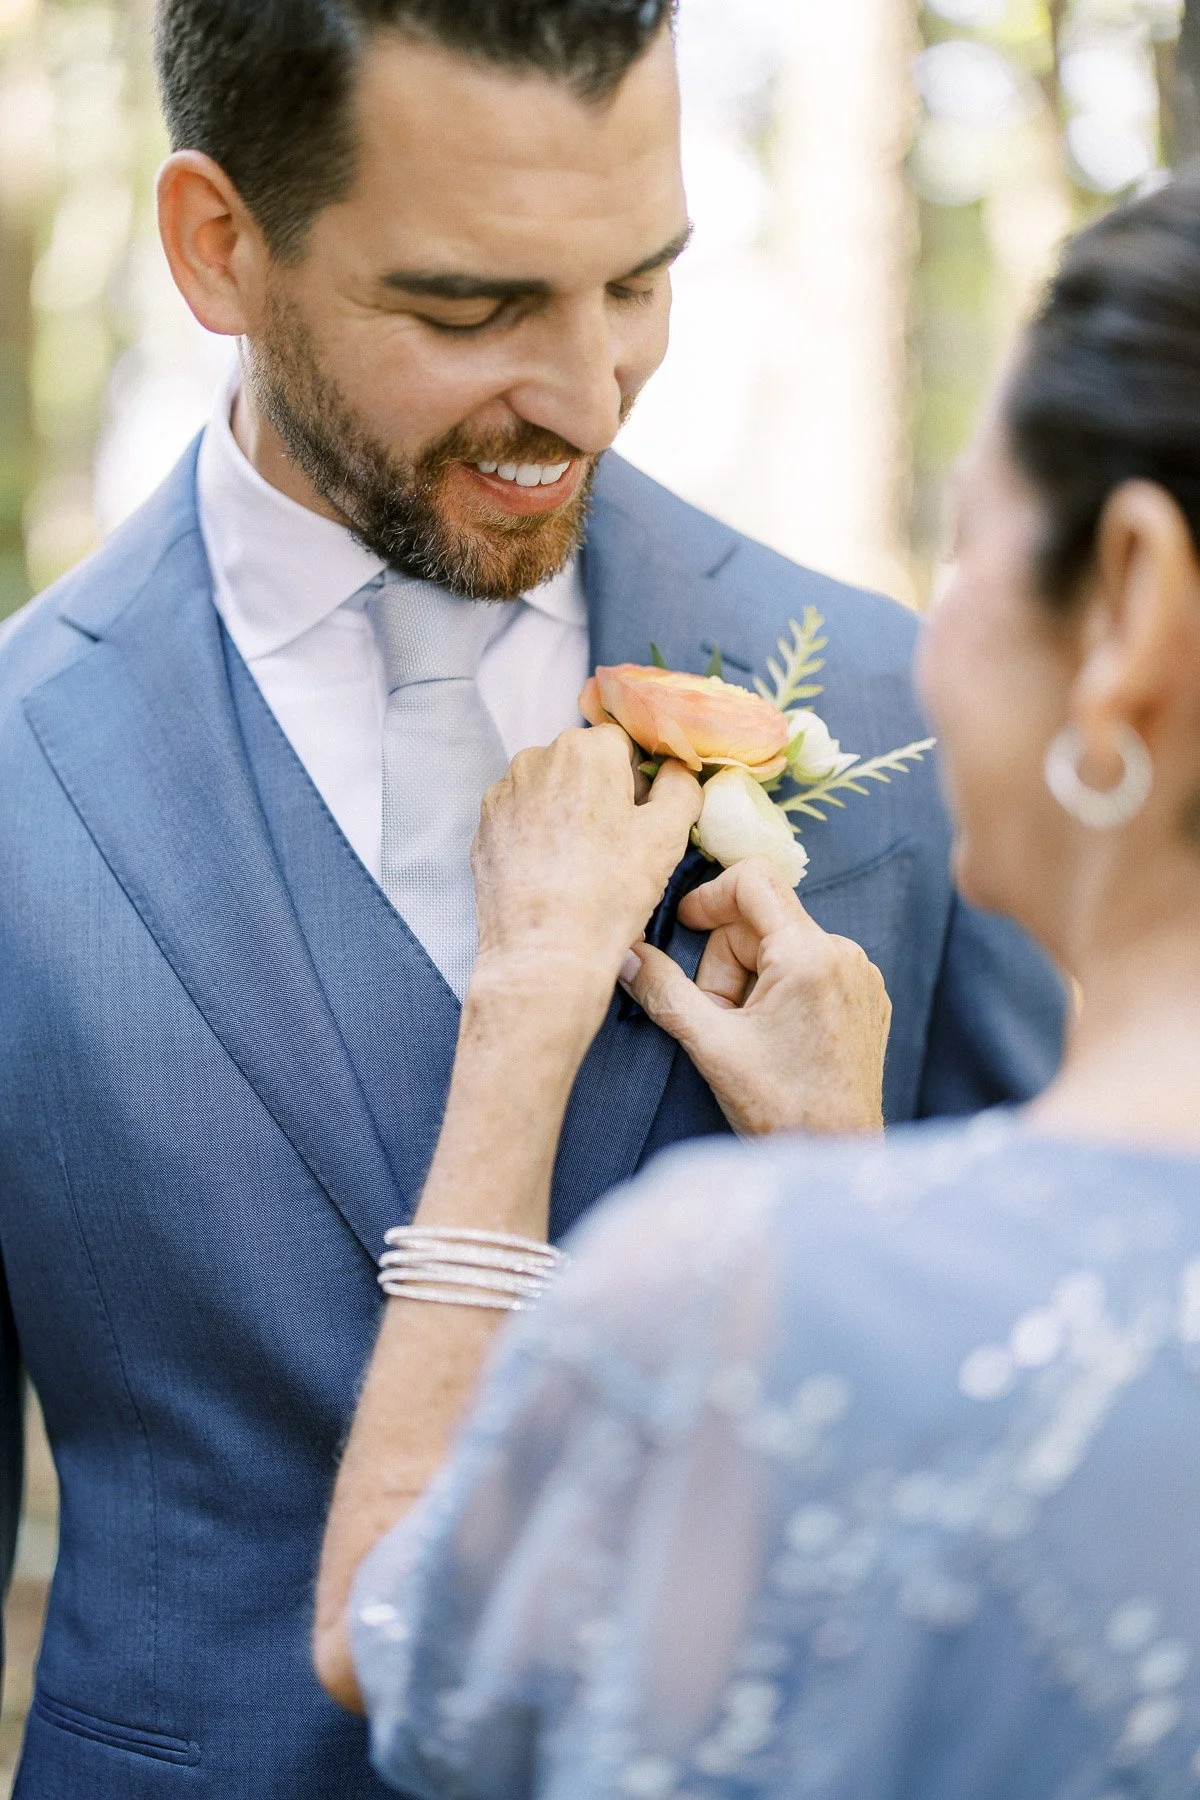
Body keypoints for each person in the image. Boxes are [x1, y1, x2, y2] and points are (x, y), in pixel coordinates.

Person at [0, 2, 1062, 1795]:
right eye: (471, 306)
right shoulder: (24, 768)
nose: (585, 393)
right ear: (219, 245)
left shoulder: (887, 706)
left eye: (637, 282)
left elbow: (1042, 1442)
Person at [320, 174, 1200, 1799]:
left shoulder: (726, 1271)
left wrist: (525, 1014)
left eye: (967, 544)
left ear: (1133, 601)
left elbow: (388, 1626)